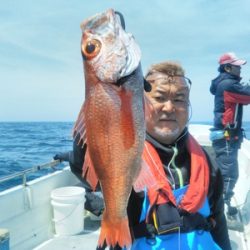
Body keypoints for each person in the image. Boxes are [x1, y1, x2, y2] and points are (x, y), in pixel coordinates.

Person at [56, 61, 231, 250]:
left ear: (188, 106)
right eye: (160, 97)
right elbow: (80, 163)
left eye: (179, 99)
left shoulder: (208, 163)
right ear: (140, 103)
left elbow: (218, 222)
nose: (169, 107)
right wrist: (102, 94)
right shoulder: (124, 155)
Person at [210, 52, 250, 218]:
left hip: (224, 136)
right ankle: (222, 207)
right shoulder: (228, 84)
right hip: (226, 137)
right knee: (229, 174)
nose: (240, 69)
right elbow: (247, 96)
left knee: (223, 171)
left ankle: (217, 201)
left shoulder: (223, 83)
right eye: (237, 66)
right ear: (227, 67)